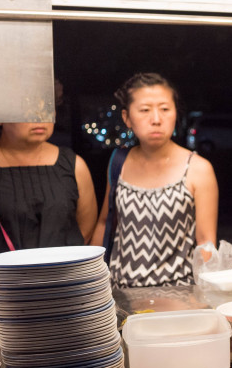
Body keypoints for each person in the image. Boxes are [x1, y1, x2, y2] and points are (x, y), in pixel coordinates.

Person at [92, 73, 218, 288]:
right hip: (120, 295)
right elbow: (105, 222)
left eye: (165, 109)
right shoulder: (118, 162)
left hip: (180, 295)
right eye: (145, 110)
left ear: (175, 114)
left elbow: (206, 241)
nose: (156, 119)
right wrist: (90, 281)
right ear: (127, 118)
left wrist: (204, 296)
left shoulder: (198, 169)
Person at [0, 122, 97, 255]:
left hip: (65, 280)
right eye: (25, 108)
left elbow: (84, 231)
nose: (38, 118)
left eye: (45, 107)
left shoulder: (75, 165)